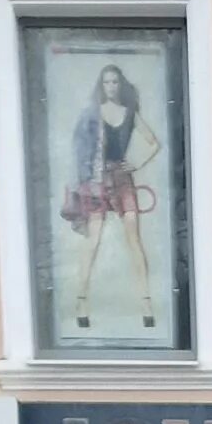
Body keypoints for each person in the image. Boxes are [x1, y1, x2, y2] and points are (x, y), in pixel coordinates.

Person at [61, 62, 161, 337]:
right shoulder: (92, 115)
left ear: (121, 84)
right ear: (101, 86)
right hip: (96, 180)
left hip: (122, 178)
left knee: (134, 239)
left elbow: (154, 142)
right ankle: (81, 303)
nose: (111, 87)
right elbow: (79, 146)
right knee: (92, 241)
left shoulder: (130, 114)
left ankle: (146, 304)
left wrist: (137, 163)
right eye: (107, 82)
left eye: (115, 82)